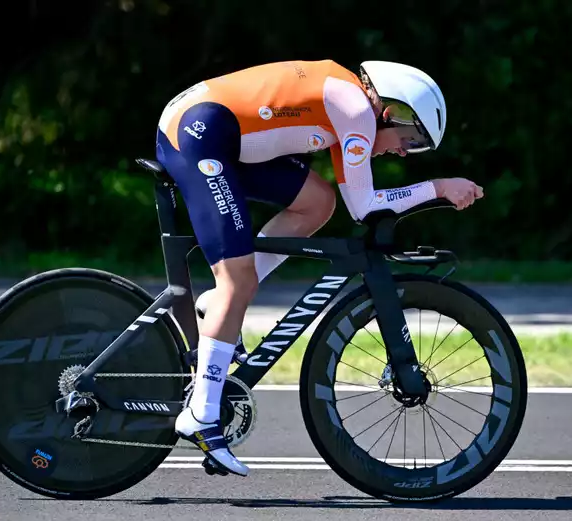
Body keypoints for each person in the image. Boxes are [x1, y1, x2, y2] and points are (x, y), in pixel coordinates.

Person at [154, 59, 484, 477]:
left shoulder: (347, 106)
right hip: (197, 134)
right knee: (238, 283)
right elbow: (365, 207)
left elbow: (349, 202)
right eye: (412, 138)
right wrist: (438, 187)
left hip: (217, 132)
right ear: (392, 111)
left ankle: (216, 306)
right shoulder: (356, 110)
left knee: (317, 201)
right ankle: (201, 414)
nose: (404, 150)